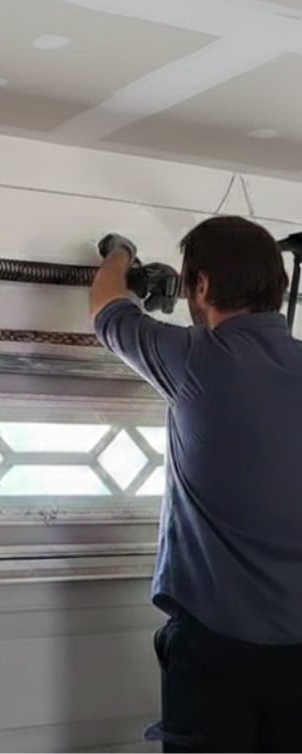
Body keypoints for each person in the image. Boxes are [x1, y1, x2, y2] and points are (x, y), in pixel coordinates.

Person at [90, 216, 302, 753]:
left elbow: (106, 308)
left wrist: (120, 251)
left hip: (215, 647)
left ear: (201, 286)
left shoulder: (197, 359)